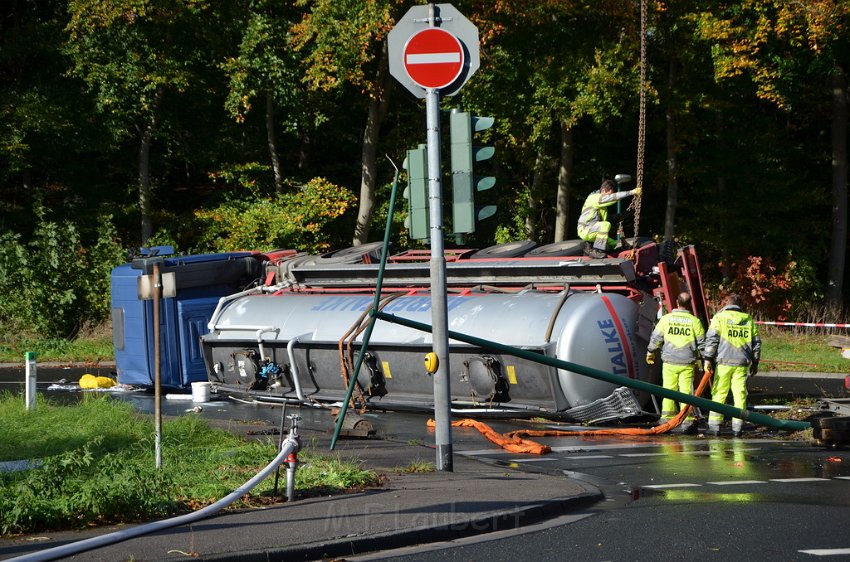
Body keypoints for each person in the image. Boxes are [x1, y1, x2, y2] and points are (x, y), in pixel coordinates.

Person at [646, 292, 706, 434]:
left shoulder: (666, 319)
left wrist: (650, 351)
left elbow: (656, 337)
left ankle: (666, 420)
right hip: (687, 363)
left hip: (669, 362)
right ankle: (687, 421)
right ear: (689, 304)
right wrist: (706, 360)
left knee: (668, 390)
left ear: (677, 303)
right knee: (686, 392)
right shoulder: (694, 321)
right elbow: (702, 344)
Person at [703, 294, 761, 437]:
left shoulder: (719, 318)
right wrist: (755, 362)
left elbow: (711, 340)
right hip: (741, 363)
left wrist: (708, 359)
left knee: (719, 393)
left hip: (723, 362)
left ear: (726, 304)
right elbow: (756, 344)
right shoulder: (748, 320)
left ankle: (715, 426)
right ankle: (737, 427)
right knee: (739, 394)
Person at [577, 179, 642, 258]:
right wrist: (631, 192)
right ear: (603, 190)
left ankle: (597, 251)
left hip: (592, 229)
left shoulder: (601, 207)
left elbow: (608, 218)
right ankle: (597, 251)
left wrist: (623, 215)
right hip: (585, 229)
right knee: (605, 225)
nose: (609, 196)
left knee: (613, 243)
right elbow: (612, 198)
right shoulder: (594, 198)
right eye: (609, 194)